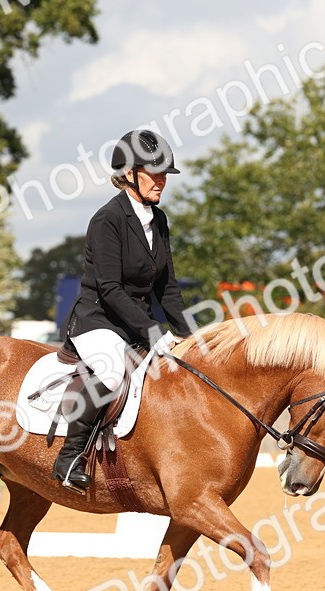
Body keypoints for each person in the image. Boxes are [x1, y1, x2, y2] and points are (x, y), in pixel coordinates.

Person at [52, 129, 194, 493]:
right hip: (98, 320)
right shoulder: (107, 220)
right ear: (129, 173)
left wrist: (191, 336)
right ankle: (69, 458)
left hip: (134, 324)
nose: (162, 182)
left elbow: (168, 287)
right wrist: (152, 331)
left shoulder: (158, 220)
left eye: (165, 175)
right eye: (154, 173)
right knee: (112, 372)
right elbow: (110, 288)